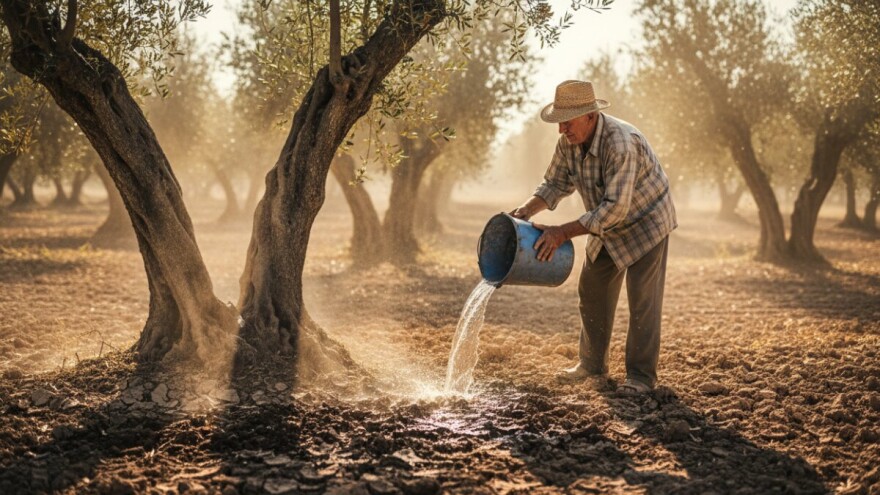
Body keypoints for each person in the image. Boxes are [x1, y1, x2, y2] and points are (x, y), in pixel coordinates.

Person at [510, 80, 677, 393]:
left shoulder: (621, 144)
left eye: (567, 122)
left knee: (643, 299)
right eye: (559, 123)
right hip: (605, 221)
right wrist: (524, 212)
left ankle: (641, 377)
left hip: (647, 220)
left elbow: (615, 209)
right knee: (592, 289)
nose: (562, 130)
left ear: (589, 116)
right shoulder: (568, 142)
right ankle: (591, 364)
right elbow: (554, 185)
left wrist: (562, 232)